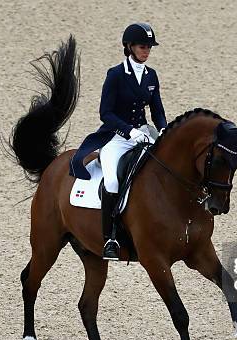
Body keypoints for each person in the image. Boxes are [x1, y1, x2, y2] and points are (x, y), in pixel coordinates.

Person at [68, 22, 167, 260]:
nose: (146, 51)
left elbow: (157, 109)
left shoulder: (151, 75)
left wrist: (163, 129)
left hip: (145, 133)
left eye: (149, 47)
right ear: (130, 47)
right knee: (112, 180)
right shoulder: (115, 75)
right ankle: (111, 238)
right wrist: (129, 131)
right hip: (118, 137)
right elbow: (106, 113)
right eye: (143, 47)